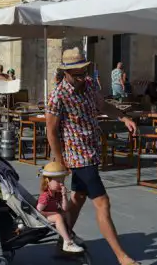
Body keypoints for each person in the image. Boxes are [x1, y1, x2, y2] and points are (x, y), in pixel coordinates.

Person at [46, 48, 138, 265]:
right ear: (66, 72)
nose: (81, 77)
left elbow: (103, 105)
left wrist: (123, 117)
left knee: (77, 198)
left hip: (92, 151)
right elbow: (51, 130)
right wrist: (60, 160)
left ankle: (64, 243)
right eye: (77, 73)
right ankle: (122, 257)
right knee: (103, 203)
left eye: (83, 71)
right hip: (78, 156)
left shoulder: (89, 85)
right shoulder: (58, 95)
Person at [37, 161, 84, 253]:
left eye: (62, 181)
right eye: (58, 181)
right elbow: (39, 211)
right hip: (43, 216)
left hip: (51, 214)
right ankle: (67, 243)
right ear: (48, 181)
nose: (61, 184)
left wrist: (64, 195)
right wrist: (55, 213)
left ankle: (69, 234)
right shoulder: (45, 196)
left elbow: (65, 208)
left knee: (67, 213)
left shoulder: (57, 194)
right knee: (58, 216)